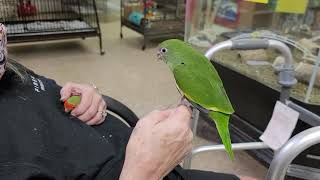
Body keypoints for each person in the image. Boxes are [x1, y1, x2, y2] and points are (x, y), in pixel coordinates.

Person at [0, 24, 241, 180]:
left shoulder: (8, 70)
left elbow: (44, 101)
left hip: (145, 158)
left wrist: (83, 98)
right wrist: (144, 171)